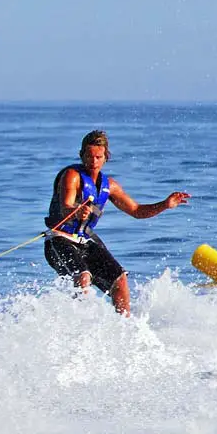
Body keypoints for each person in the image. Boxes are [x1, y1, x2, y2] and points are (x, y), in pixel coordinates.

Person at [44, 130, 190, 315]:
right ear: (81, 155)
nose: (93, 161)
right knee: (83, 277)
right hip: (59, 241)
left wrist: (165, 205)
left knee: (119, 280)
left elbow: (137, 211)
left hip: (84, 242)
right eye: (89, 156)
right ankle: (79, 323)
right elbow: (66, 205)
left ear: (106, 157)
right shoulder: (72, 176)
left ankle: (126, 328)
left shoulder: (110, 185)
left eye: (98, 157)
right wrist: (76, 210)